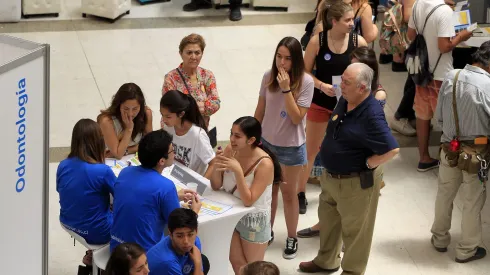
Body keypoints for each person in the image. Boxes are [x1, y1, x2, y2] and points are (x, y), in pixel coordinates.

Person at [299, 63, 399, 274]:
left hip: (355, 183)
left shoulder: (372, 114)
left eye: (346, 82)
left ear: (363, 88)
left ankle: (352, 270)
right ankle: (327, 261)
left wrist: (368, 164)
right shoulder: (346, 100)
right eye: (342, 79)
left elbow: (392, 149)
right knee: (328, 222)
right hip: (331, 178)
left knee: (356, 232)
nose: (340, 85)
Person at [297, 46, 388, 238]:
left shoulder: (376, 95)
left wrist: (369, 163)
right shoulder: (348, 89)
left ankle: (343, 242)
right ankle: (324, 228)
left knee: (353, 211)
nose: (349, 73)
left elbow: (384, 142)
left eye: (356, 68)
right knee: (331, 201)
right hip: (340, 158)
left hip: (357, 161)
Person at [299, 2, 367, 215]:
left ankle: (340, 193)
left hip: (347, 107)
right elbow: (303, 71)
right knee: (310, 151)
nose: (351, 23)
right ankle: (299, 192)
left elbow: (368, 72)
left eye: (352, 19)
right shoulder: (318, 41)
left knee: (343, 151)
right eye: (347, 20)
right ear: (333, 21)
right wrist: (321, 85)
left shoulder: (358, 42)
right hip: (321, 103)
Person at [254, 36, 314, 259]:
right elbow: (260, 110)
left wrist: (287, 89)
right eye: (279, 57)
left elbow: (297, 117)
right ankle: (266, 231)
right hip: (267, 143)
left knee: (289, 194)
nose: (282, 63)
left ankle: (292, 236)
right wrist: (252, 137)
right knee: (269, 192)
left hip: (291, 147)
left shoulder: (306, 82)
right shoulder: (268, 77)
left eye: (287, 58)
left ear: (296, 60)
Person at [430, 41, 490, 263]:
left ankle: (439, 238)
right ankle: (467, 249)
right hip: (476, 154)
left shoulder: (451, 76)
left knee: (445, 193)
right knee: (472, 200)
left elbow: (440, 117)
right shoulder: (488, 86)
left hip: (448, 147)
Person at [407, 0, 473, 172]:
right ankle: (449, 163)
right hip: (441, 75)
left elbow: (410, 35)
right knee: (449, 122)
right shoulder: (444, 11)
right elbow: (444, 46)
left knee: (423, 116)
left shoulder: (418, 4)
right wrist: (461, 36)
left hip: (421, 71)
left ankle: (423, 158)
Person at [210, 116, 281, 274]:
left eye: (237, 136)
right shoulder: (230, 149)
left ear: (251, 140)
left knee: (252, 270)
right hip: (231, 215)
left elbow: (249, 200)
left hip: (253, 221)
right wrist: (217, 163)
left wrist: (237, 171)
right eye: (231, 134)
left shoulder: (265, 164)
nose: (232, 139)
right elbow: (215, 185)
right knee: (238, 267)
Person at [110, 129, 201, 252]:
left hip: (116, 250)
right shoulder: (166, 186)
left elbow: (143, 199)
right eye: (172, 150)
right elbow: (179, 226)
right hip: (144, 258)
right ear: (161, 161)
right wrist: (194, 212)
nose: (174, 153)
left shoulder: (125, 172)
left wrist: (174, 196)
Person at [57, 118, 116, 266]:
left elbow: (64, 191)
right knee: (131, 216)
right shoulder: (103, 171)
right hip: (99, 232)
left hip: (68, 222)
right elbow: (124, 196)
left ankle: (91, 253)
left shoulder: (63, 165)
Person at [162, 33, 220, 130]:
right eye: (189, 53)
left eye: (197, 53)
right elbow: (171, 107)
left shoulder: (207, 75)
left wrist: (192, 108)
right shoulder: (171, 78)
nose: (193, 57)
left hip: (200, 129)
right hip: (176, 129)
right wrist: (200, 107)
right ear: (181, 53)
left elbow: (216, 102)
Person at [160, 90, 216, 178]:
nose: (164, 120)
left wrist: (200, 187)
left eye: (168, 116)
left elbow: (213, 163)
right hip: (172, 176)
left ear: (181, 114)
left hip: (190, 183)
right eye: (162, 115)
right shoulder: (168, 127)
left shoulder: (197, 135)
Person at [147, 208, 211, 275]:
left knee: (204, 261)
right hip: (166, 268)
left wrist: (198, 263)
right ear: (171, 234)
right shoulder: (168, 262)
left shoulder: (196, 241)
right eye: (180, 236)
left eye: (190, 234)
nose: (186, 241)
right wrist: (198, 263)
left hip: (176, 266)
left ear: (196, 231)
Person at [98, 83, 153, 160]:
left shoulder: (146, 113)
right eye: (126, 109)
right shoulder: (107, 121)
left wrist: (127, 150)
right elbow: (118, 154)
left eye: (135, 109)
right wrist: (129, 129)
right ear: (119, 105)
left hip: (134, 159)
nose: (130, 114)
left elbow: (150, 144)